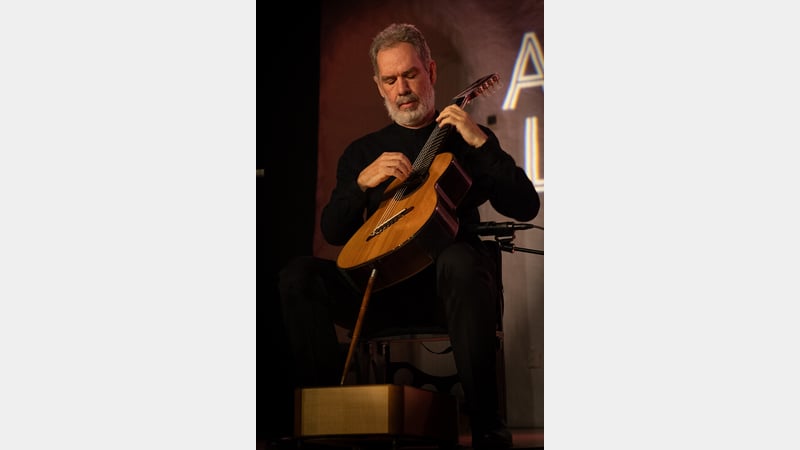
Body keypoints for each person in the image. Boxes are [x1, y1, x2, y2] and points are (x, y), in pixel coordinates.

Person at [278, 23, 540, 450]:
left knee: (460, 260)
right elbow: (332, 231)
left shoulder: (468, 139)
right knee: (297, 276)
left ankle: (486, 425)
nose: (402, 88)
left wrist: (480, 142)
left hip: (447, 291)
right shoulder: (363, 152)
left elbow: (525, 205)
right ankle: (324, 419)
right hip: (377, 291)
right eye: (390, 79)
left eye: (411, 74)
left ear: (432, 72)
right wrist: (359, 185)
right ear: (379, 86)